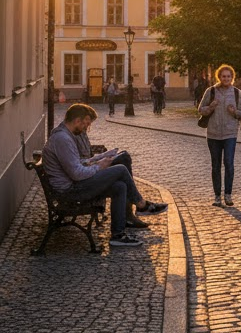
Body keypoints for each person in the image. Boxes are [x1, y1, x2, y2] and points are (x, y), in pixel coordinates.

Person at [42, 103, 167, 248]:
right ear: (77, 120)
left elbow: (78, 163)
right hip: (70, 191)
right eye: (85, 124)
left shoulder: (64, 136)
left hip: (73, 185)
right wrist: (98, 167)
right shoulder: (62, 139)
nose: (85, 129)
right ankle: (141, 205)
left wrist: (98, 159)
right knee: (120, 169)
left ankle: (118, 235)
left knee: (119, 186)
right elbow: (76, 174)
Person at [72, 113, 150, 228]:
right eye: (87, 123)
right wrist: (98, 163)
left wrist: (103, 155)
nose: (88, 127)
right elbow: (80, 165)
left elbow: (86, 158)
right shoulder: (69, 136)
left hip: (90, 168)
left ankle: (129, 214)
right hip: (87, 175)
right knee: (123, 163)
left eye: (89, 123)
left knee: (123, 160)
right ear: (79, 120)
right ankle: (136, 208)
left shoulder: (79, 132)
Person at [197, 65, 241, 206]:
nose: (226, 79)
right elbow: (201, 110)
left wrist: (234, 112)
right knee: (216, 165)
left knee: (229, 164)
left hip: (230, 134)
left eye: (228, 76)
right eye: (223, 76)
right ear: (219, 77)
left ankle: (228, 194)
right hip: (213, 134)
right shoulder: (211, 91)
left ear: (232, 77)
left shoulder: (237, 93)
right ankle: (217, 196)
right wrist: (211, 107)